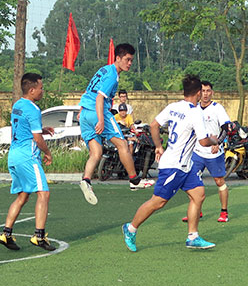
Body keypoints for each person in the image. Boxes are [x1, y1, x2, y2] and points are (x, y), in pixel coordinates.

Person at [121, 74, 219, 252]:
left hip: (185, 165)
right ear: (198, 93)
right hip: (174, 166)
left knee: (198, 195)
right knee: (158, 202)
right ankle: (130, 228)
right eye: (202, 91)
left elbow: (153, 125)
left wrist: (159, 146)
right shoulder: (196, 113)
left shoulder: (174, 107)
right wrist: (214, 140)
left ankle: (193, 237)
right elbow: (204, 141)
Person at [78, 43, 152, 204]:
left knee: (96, 152)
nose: (129, 63)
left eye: (131, 60)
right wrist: (101, 120)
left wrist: (82, 110)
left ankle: (86, 180)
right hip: (97, 112)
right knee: (123, 145)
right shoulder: (112, 76)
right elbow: (99, 97)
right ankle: (134, 180)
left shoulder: (103, 70)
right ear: (118, 58)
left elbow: (89, 90)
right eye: (127, 59)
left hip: (84, 114)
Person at [0, 73, 57, 251]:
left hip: (14, 155)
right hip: (27, 157)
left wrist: (42, 130)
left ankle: (6, 234)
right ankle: (39, 236)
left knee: (23, 196)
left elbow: (22, 128)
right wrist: (47, 153)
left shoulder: (18, 105)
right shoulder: (33, 109)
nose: (42, 91)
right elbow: (37, 139)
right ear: (31, 90)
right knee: (44, 193)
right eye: (40, 88)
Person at [183, 80, 231, 223]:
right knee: (192, 181)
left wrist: (218, 143)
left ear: (212, 92)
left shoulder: (218, 108)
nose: (205, 94)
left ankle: (224, 212)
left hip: (213, 153)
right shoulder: (193, 108)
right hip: (197, 152)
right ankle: (196, 210)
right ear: (199, 92)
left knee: (219, 181)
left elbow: (226, 128)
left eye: (208, 91)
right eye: (203, 91)